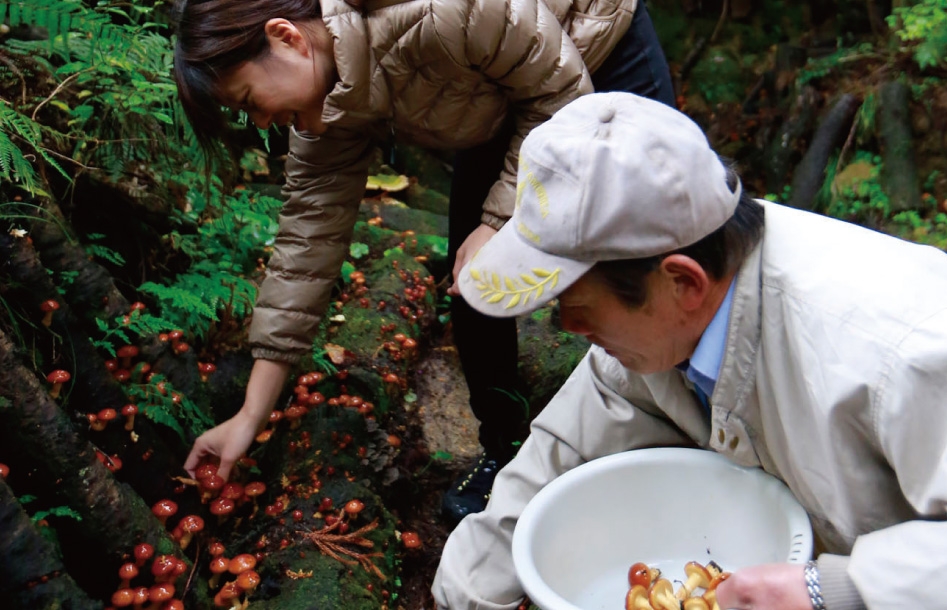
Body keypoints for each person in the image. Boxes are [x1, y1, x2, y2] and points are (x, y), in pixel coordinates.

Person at [432, 91, 947, 609]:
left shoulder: (898, 352)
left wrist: (836, 591)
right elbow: (552, 468)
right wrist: (460, 597)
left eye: (573, 304)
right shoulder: (657, 333)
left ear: (682, 282)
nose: (567, 326)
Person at [172, 0, 675, 521]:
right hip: (495, 94)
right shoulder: (327, 102)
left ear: (288, 38)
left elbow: (559, 91)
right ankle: (507, 451)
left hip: (590, 49)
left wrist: (499, 223)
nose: (261, 121)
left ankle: (673, 424)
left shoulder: (435, 10)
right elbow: (305, 246)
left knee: (647, 242)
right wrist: (251, 413)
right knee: (474, 286)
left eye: (251, 100)